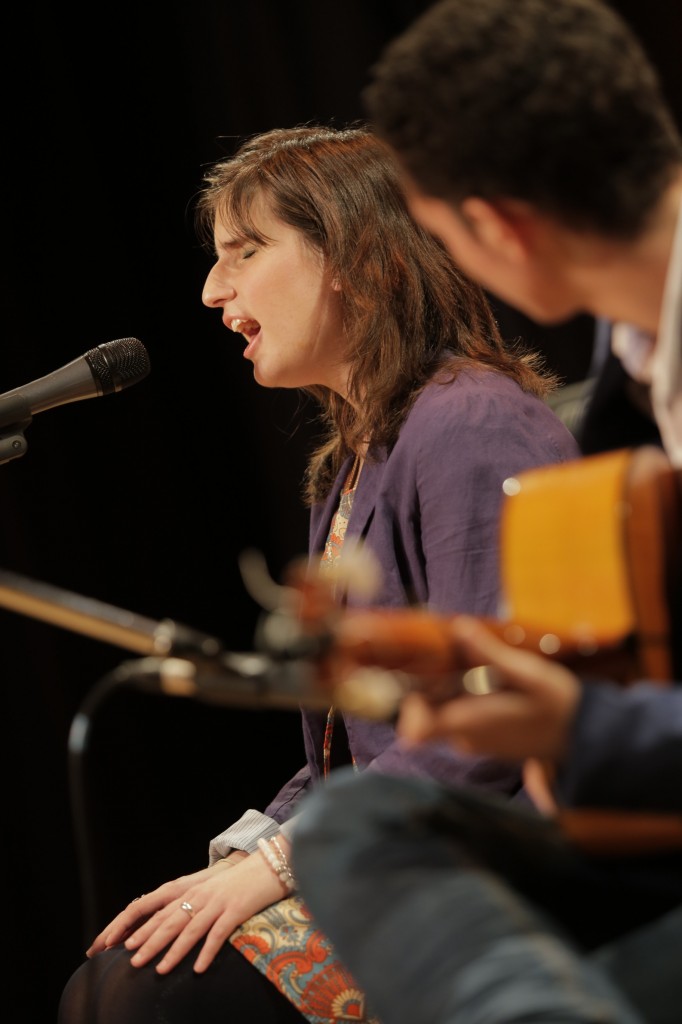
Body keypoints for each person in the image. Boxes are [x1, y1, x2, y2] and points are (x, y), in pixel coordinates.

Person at [58, 124, 579, 1023]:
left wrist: (277, 865)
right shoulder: (351, 463)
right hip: (391, 849)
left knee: (156, 999)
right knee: (115, 974)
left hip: (496, 866)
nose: (213, 289)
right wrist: (242, 859)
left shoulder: (472, 424)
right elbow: (338, 758)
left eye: (246, 251)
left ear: (352, 258)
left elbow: (497, 713)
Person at [290, 1, 682, 1021]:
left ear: (494, 227)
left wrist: (581, 727)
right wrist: (481, 661)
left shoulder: (479, 414)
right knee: (357, 826)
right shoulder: (633, 376)